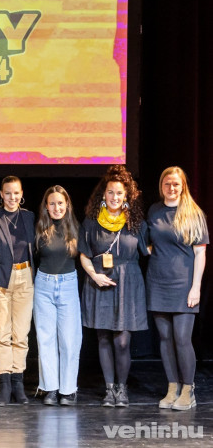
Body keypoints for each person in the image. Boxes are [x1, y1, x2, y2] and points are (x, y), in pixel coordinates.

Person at [79, 164, 147, 408]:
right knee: (104, 339)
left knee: (122, 342)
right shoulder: (91, 222)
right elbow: (84, 254)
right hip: (99, 283)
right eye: (110, 192)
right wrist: (94, 275)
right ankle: (110, 390)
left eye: (119, 193)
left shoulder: (136, 223)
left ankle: (122, 387)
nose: (115, 197)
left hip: (128, 285)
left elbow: (149, 250)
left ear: (126, 195)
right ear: (103, 194)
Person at [146, 166, 207, 410]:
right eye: (167, 184)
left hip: (183, 285)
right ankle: (172, 387)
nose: (171, 188)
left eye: (176, 184)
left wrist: (196, 288)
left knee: (182, 338)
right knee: (165, 338)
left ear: (183, 186)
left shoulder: (193, 213)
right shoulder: (154, 210)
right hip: (157, 282)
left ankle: (188, 390)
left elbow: (200, 254)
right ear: (161, 186)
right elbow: (151, 243)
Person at [0, 176, 35, 406]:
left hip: (26, 278)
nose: (12, 197)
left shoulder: (29, 217)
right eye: (8, 193)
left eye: (16, 193)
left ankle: (18, 383)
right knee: (2, 335)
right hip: (1, 282)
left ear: (22, 194)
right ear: (1, 195)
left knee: (21, 335)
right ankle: (4, 384)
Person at [33, 185, 82, 406]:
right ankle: (50, 388)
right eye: (52, 203)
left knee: (69, 340)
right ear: (46, 206)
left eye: (60, 203)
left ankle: (68, 390)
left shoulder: (76, 229)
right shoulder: (39, 228)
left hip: (68, 284)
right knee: (46, 339)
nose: (56, 207)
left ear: (67, 204)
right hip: (43, 284)